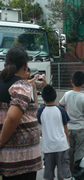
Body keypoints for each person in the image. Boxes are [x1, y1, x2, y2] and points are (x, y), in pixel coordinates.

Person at [0, 45, 42, 179]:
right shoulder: (21, 86)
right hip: (21, 161)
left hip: (7, 158)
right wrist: (1, 141)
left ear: (5, 64)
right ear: (25, 66)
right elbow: (13, 117)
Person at [59, 71, 84, 174]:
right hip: (81, 130)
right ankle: (78, 175)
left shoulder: (67, 94)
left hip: (69, 129)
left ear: (71, 82)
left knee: (70, 155)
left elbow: (60, 106)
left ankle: (71, 174)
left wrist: (66, 116)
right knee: (81, 155)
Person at [37, 84, 71, 180]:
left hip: (48, 147)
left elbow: (41, 124)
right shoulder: (61, 110)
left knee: (49, 175)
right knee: (62, 174)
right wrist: (67, 142)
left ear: (43, 98)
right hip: (61, 146)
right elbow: (65, 129)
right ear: (55, 96)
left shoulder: (40, 111)